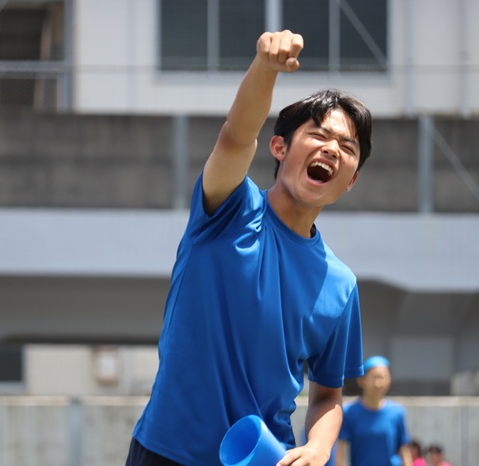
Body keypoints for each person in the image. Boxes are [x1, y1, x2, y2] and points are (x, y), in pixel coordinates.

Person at [126, 29, 372, 466]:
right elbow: (237, 137)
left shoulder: (341, 284)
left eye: (347, 147)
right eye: (319, 135)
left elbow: (328, 395)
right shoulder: (228, 208)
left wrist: (318, 447)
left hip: (264, 458)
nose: (332, 149)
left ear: (350, 180)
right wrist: (265, 68)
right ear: (279, 147)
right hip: (166, 452)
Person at [335, 356, 412, 466]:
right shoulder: (349, 412)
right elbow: (340, 453)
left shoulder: (397, 413)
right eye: (374, 377)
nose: (378, 383)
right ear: (361, 380)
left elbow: (404, 451)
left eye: (383, 377)